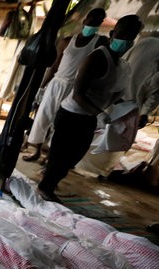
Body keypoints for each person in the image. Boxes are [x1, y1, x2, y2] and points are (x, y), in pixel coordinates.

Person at [37, 15, 143, 203]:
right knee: (61, 155)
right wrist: (100, 113)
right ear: (112, 34)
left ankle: (49, 184)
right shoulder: (96, 58)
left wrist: (128, 109)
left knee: (74, 156)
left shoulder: (122, 65)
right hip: (72, 114)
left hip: (89, 117)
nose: (126, 40)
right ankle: (45, 187)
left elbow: (114, 94)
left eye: (131, 36)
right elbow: (78, 94)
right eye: (123, 35)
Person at [22, 8, 108, 162]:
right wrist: (42, 87)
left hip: (76, 88)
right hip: (57, 83)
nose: (94, 24)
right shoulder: (67, 41)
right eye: (92, 20)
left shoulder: (99, 42)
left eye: (98, 21)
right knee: (43, 117)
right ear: (85, 21)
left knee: (60, 123)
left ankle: (49, 157)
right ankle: (36, 151)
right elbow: (54, 67)